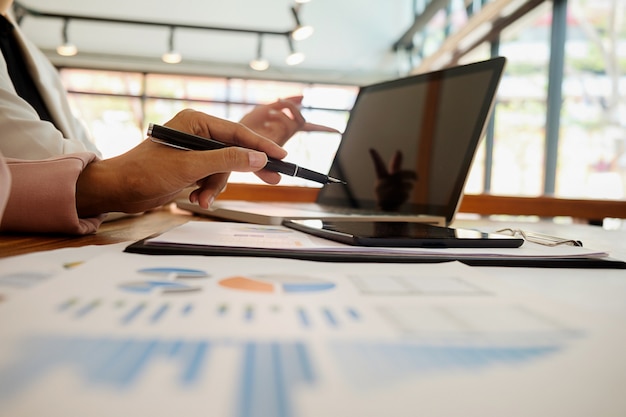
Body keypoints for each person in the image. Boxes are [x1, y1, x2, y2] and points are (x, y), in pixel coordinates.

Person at [0, 1, 338, 234]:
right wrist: (119, 182)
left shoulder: (28, 50)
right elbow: (65, 178)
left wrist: (221, 147)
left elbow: (95, 174)